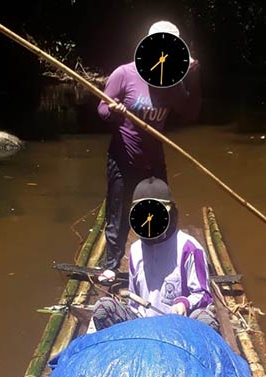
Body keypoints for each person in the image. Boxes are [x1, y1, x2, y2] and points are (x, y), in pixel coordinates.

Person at [98, 20, 201, 272]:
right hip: (123, 157)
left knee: (159, 210)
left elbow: (190, 114)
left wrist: (194, 80)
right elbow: (101, 109)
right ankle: (111, 265)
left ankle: (160, 262)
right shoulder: (124, 74)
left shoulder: (173, 83)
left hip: (153, 159)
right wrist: (115, 112)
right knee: (119, 213)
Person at [93, 177, 218, 331]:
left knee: (205, 319)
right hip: (142, 324)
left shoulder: (190, 248)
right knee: (103, 308)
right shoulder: (136, 249)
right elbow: (133, 299)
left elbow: (204, 296)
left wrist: (184, 303)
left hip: (180, 328)